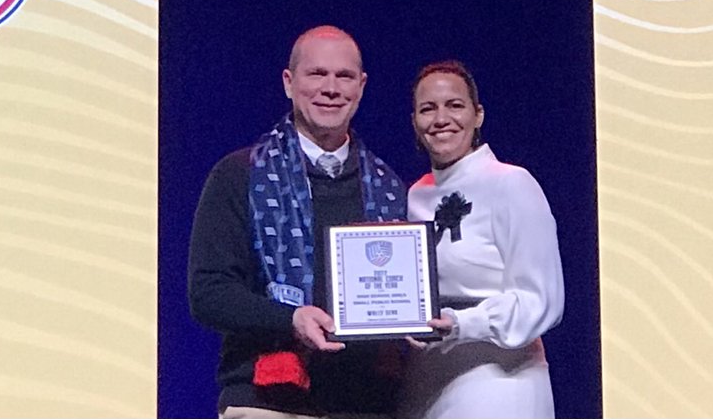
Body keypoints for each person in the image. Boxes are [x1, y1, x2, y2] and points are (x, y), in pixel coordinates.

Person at [188, 25, 408, 419]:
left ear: (361, 86)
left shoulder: (389, 187)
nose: (330, 88)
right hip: (268, 402)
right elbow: (208, 292)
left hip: (367, 404)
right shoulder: (240, 174)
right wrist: (290, 319)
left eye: (343, 76)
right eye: (317, 74)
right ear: (289, 83)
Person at [399, 60, 565, 419]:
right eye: (428, 109)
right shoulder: (415, 195)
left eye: (455, 105)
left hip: (500, 382)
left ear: (478, 115)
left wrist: (463, 324)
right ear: (414, 122)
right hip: (425, 383)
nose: (441, 118)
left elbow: (542, 300)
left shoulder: (512, 184)